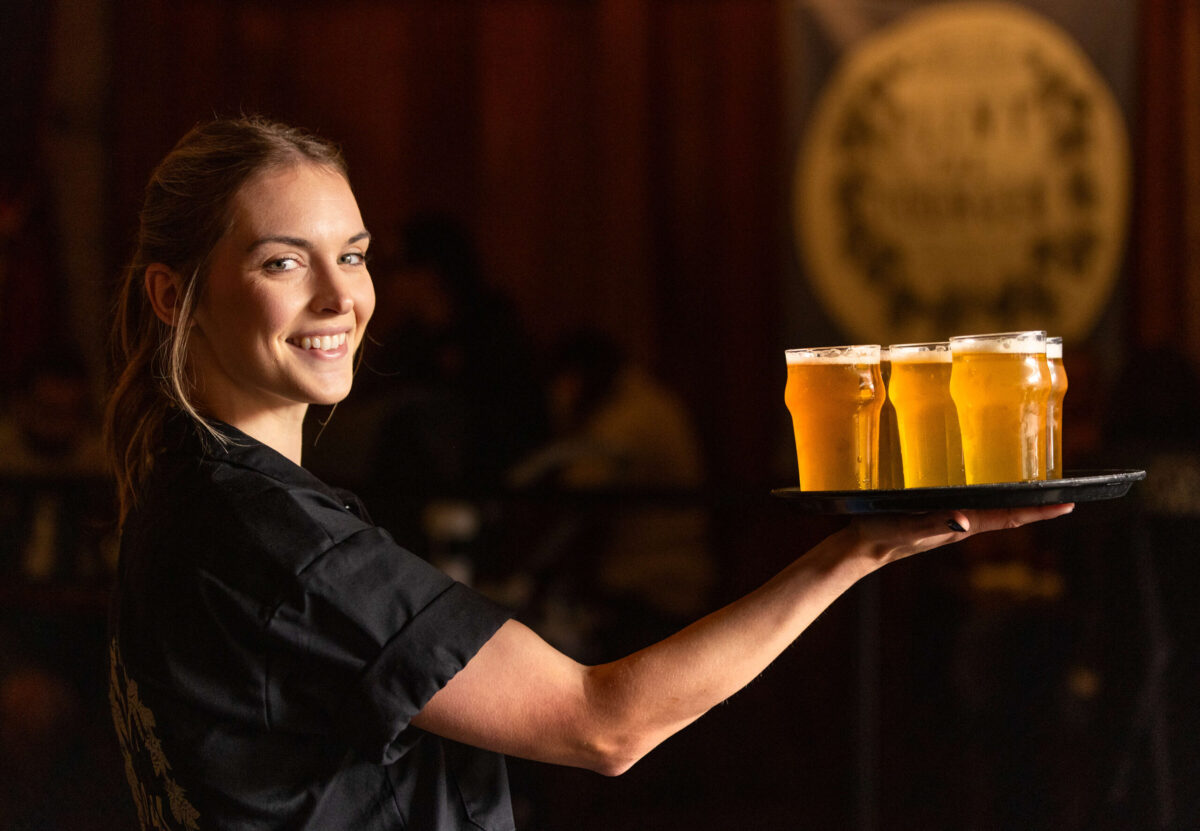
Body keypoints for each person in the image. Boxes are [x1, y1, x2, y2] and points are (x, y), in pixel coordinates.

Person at [103, 115, 1074, 831]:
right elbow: (604, 724)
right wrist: (857, 550)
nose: (339, 297)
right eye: (282, 262)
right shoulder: (273, 533)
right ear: (171, 292)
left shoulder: (189, 494)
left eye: (352, 256)